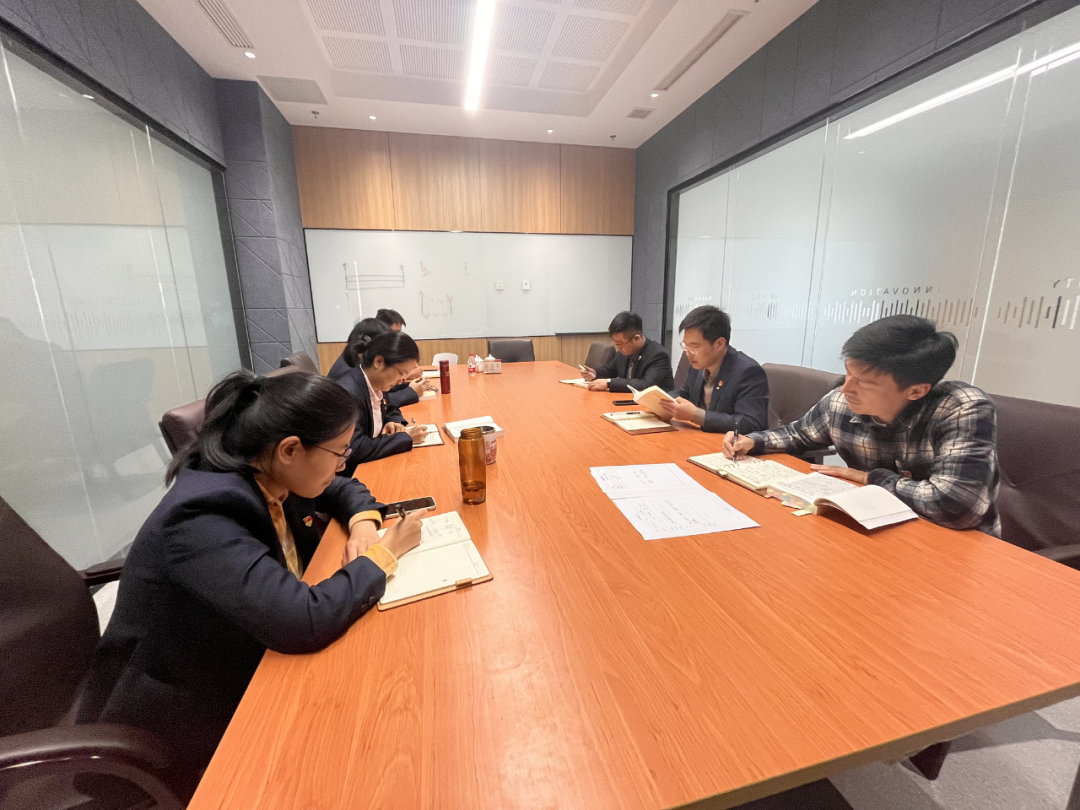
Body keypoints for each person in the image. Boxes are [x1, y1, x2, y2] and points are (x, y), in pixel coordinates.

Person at [77, 370, 423, 798]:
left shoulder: (265, 469)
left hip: (244, 650)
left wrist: (364, 524)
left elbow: (340, 488)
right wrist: (385, 554)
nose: (341, 463)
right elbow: (304, 619)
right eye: (339, 452)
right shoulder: (204, 515)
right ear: (290, 449)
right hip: (179, 714)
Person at [723, 314, 1000, 536]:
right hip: (873, 529)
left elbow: (956, 505)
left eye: (865, 383)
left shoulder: (960, 409)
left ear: (916, 391)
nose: (846, 388)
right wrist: (753, 441)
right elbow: (798, 435)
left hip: (952, 544)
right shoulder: (840, 402)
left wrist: (872, 479)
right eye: (847, 373)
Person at [656, 305, 769, 433]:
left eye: (694, 347)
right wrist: (661, 400)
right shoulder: (698, 365)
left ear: (719, 344)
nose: (688, 353)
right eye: (686, 346)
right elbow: (686, 393)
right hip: (698, 436)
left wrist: (696, 415)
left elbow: (751, 423)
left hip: (727, 442)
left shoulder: (748, 372)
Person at [334, 331, 429, 471]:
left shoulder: (377, 383)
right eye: (401, 373)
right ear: (378, 362)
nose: (402, 380)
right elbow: (355, 448)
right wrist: (406, 437)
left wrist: (393, 422)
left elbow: (389, 406)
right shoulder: (348, 394)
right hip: (353, 472)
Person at [329, 318, 433, 409]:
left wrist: (407, 384)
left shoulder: (366, 368)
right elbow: (378, 402)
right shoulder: (349, 379)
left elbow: (383, 394)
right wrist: (411, 391)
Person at [581, 311, 675, 393]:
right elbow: (611, 370)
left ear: (636, 338)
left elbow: (646, 385)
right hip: (627, 400)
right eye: (616, 344)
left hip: (654, 405)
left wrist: (609, 383)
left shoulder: (658, 355)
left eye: (620, 344)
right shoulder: (623, 352)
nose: (618, 349)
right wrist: (595, 373)